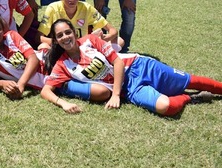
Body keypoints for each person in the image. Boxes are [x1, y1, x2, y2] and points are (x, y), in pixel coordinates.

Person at [41, 19, 221, 116]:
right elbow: (46, 90)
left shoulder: (89, 40)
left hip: (139, 66)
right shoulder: (62, 65)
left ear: (74, 32)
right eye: (60, 35)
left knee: (190, 80)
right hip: (130, 88)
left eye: (67, 32)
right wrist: (63, 104)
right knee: (166, 107)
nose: (65, 37)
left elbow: (117, 62)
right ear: (56, 40)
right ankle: (190, 98)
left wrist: (115, 95)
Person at [0, 13, 110, 101]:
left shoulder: (11, 35)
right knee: (102, 93)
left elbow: (33, 59)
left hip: (51, 59)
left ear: (3, 29)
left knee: (95, 56)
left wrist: (20, 85)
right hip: (51, 80)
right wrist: (3, 83)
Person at [38, 0, 122, 49]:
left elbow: (113, 30)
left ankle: (108, 63)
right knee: (43, 47)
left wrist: (105, 38)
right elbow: (39, 37)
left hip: (83, 48)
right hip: (61, 47)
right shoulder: (52, 8)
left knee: (120, 41)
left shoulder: (86, 8)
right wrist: (61, 42)